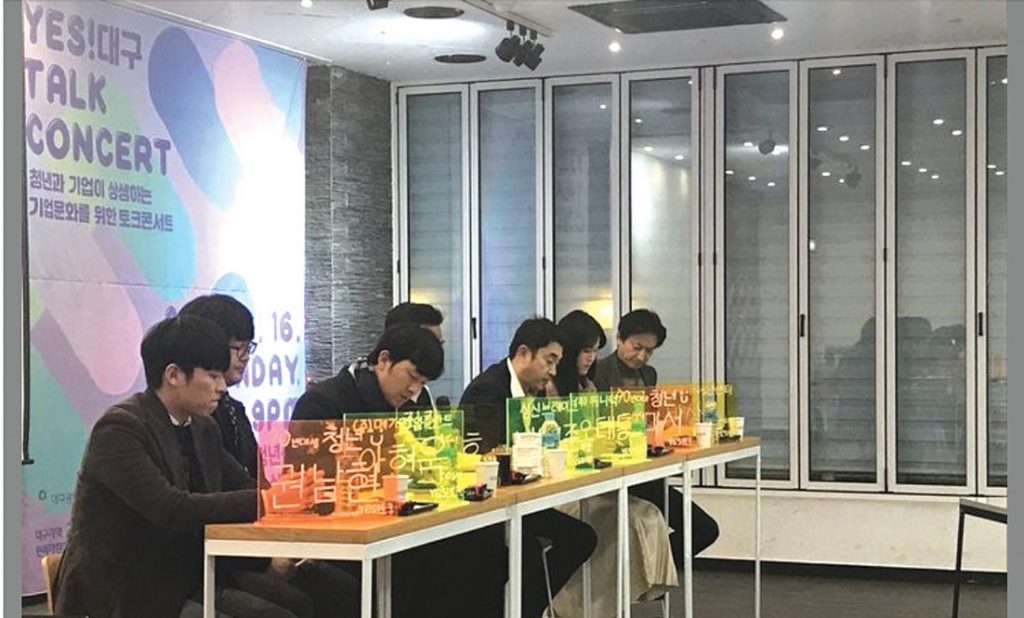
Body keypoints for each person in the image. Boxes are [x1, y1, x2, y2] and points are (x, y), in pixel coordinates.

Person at [53, 315, 305, 618]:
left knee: (296, 604)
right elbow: (171, 508)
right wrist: (270, 500)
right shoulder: (120, 428)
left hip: (185, 575)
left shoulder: (202, 427)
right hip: (125, 588)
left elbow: (243, 484)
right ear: (173, 375)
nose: (222, 387)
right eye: (213, 376)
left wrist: (290, 495)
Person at [292, 324, 504, 618]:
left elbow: (422, 458)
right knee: (429, 560)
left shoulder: (402, 406)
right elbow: (305, 481)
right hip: (340, 533)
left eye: (422, 383)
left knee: (482, 548)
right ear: (383, 360)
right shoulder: (323, 402)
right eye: (412, 377)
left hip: (393, 523)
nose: (414, 390)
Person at [179, 294, 359, 618]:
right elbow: (201, 508)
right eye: (237, 348)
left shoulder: (233, 411)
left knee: (343, 586)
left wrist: (288, 528)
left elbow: (253, 483)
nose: (245, 357)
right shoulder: (178, 423)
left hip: (249, 543)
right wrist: (267, 554)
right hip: (214, 558)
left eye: (248, 347)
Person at [460, 317, 599, 618]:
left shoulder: (535, 393)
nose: (553, 372)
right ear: (523, 353)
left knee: (581, 538)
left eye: (556, 363)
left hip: (523, 498)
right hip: (487, 505)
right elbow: (484, 456)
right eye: (549, 361)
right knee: (530, 551)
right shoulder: (487, 391)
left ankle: (525, 609)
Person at [545, 310, 677, 617]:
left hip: (599, 478)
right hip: (565, 487)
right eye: (585, 350)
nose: (590, 358)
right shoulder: (552, 388)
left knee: (647, 515)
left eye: (594, 351)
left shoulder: (588, 386)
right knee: (626, 519)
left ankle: (622, 595)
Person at [594, 309, 720, 569]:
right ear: (619, 339)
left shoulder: (649, 374)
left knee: (704, 529)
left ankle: (647, 572)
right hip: (611, 472)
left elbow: (652, 418)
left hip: (645, 470)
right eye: (637, 347)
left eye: (649, 351)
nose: (642, 356)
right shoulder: (598, 373)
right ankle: (644, 573)